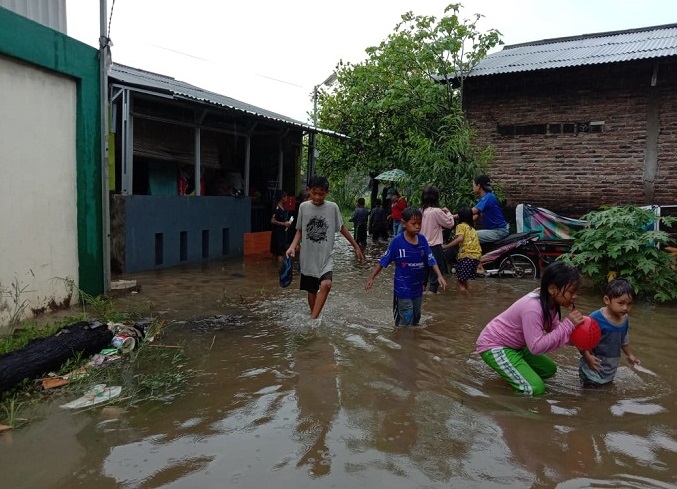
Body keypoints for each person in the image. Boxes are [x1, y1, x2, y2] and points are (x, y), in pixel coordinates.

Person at [476, 261, 584, 395]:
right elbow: (536, 347)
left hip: (517, 345)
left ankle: (514, 375)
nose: (575, 296)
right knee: (535, 389)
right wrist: (568, 325)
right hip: (494, 345)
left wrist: (574, 337)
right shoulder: (533, 308)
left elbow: (554, 328)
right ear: (552, 289)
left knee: (549, 370)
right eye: (571, 292)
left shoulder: (550, 302)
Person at [286, 175, 365, 319]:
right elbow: (300, 230)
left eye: (321, 194)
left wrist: (356, 246)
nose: (317, 197)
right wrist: (292, 246)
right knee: (311, 290)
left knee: (326, 284)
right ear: (308, 190)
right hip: (308, 257)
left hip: (325, 256)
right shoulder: (303, 207)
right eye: (314, 193)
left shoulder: (332, 207)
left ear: (327, 192)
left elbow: (341, 227)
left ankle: (312, 320)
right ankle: (315, 318)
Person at [365, 207, 447, 326]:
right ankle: (403, 341)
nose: (417, 226)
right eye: (413, 224)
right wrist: (372, 277)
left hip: (417, 288)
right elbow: (383, 260)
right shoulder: (397, 242)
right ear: (404, 223)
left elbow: (431, 258)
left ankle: (412, 341)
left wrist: (439, 276)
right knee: (406, 318)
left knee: (416, 317)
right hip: (402, 288)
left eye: (419, 223)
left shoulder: (422, 240)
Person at [578, 278, 640, 387]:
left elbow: (624, 340)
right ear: (607, 300)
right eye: (621, 303)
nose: (625, 308)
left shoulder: (625, 318)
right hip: (592, 367)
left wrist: (630, 355)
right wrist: (587, 357)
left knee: (605, 394)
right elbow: (581, 341)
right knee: (590, 397)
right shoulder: (595, 319)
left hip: (610, 367)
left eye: (629, 304)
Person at [420, 185, 455, 293]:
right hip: (434, 247)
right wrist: (448, 212)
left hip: (421, 247)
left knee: (423, 275)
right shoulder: (436, 211)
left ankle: (423, 299)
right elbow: (449, 224)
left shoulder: (421, 211)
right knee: (435, 276)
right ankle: (432, 302)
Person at [442, 207, 481, 291]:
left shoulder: (460, 226)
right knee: (464, 281)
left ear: (460, 217)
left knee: (460, 283)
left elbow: (460, 239)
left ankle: (465, 301)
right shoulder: (472, 229)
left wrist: (446, 246)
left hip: (466, 256)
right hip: (475, 258)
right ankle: (470, 299)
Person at [471, 174, 509, 244]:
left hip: (498, 231)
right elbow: (477, 215)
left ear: (478, 186)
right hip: (494, 230)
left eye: (473, 185)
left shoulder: (488, 197)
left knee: (469, 236)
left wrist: (453, 216)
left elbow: (472, 211)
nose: (472, 187)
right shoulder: (487, 197)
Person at [270, 189, 292, 262]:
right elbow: (272, 220)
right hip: (277, 233)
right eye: (286, 196)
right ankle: (278, 269)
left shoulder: (282, 207)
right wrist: (283, 223)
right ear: (282, 198)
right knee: (279, 253)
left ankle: (273, 268)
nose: (287, 198)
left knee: (277, 252)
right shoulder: (277, 208)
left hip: (281, 232)